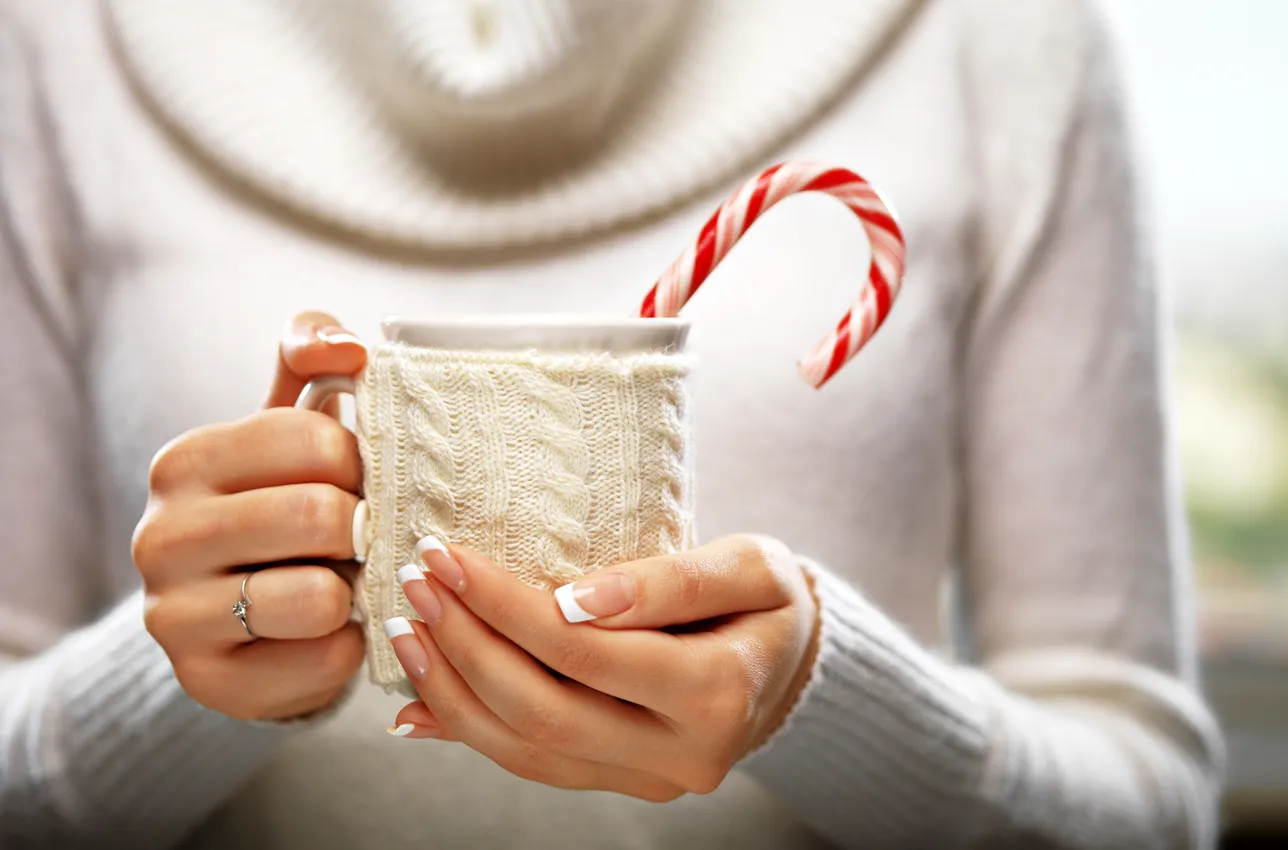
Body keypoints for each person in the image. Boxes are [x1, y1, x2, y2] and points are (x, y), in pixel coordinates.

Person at [0, 0, 1225, 847]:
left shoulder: (1001, 37)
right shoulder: (52, 42)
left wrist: (826, 698)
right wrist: (181, 679)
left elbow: (1150, 797)